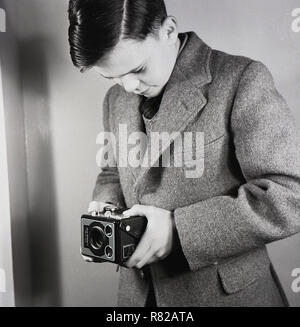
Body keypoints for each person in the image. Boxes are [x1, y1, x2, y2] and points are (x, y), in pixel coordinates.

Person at [68, 0, 300, 307]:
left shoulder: (242, 78)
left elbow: (290, 194)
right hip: (138, 298)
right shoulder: (115, 98)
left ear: (168, 30)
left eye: (138, 68)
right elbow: (113, 169)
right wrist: (106, 207)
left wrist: (179, 230)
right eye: (111, 77)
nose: (128, 86)